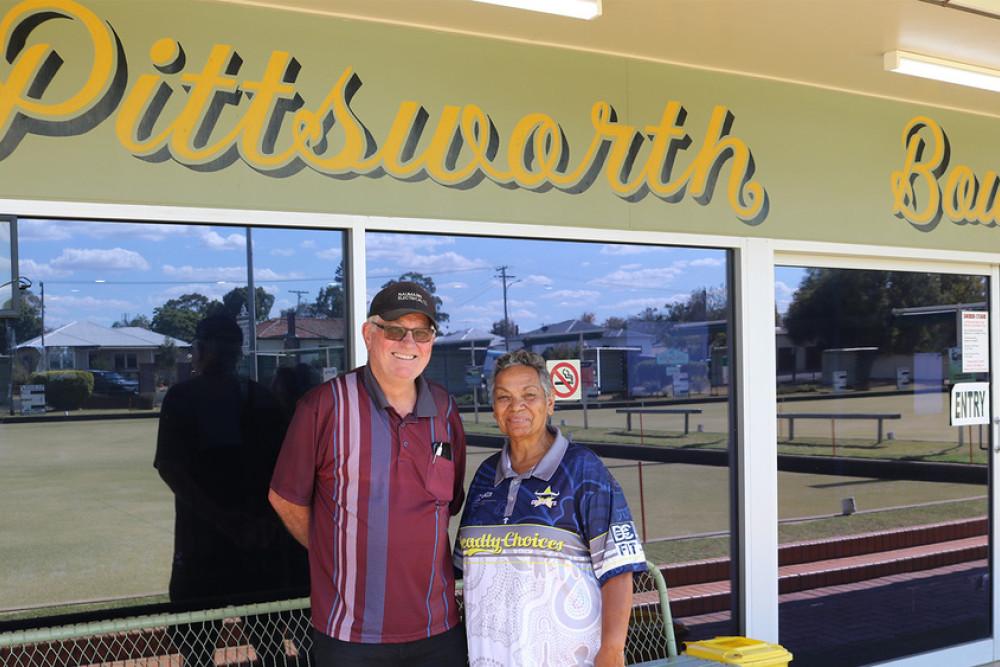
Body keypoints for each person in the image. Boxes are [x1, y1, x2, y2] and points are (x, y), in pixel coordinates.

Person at [268, 281, 468, 667]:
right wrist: (336, 550)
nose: (408, 343)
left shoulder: (445, 408)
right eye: (395, 330)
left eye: (421, 333)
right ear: (369, 334)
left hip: (439, 630)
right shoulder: (324, 405)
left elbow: (449, 501)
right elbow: (284, 498)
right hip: (350, 637)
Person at [454, 349, 647, 667]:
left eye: (529, 395)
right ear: (494, 409)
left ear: (550, 403)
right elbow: (463, 570)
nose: (516, 406)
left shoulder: (583, 469)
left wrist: (612, 651)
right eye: (504, 397)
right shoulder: (485, 476)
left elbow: (618, 570)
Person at [155, 313, 301, 667]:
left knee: (197, 648)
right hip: (259, 541)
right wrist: (262, 521)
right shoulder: (262, 399)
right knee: (269, 644)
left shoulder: (181, 397)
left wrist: (221, 520)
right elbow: (286, 472)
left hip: (201, 546)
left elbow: (170, 467)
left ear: (201, 349)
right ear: (238, 352)